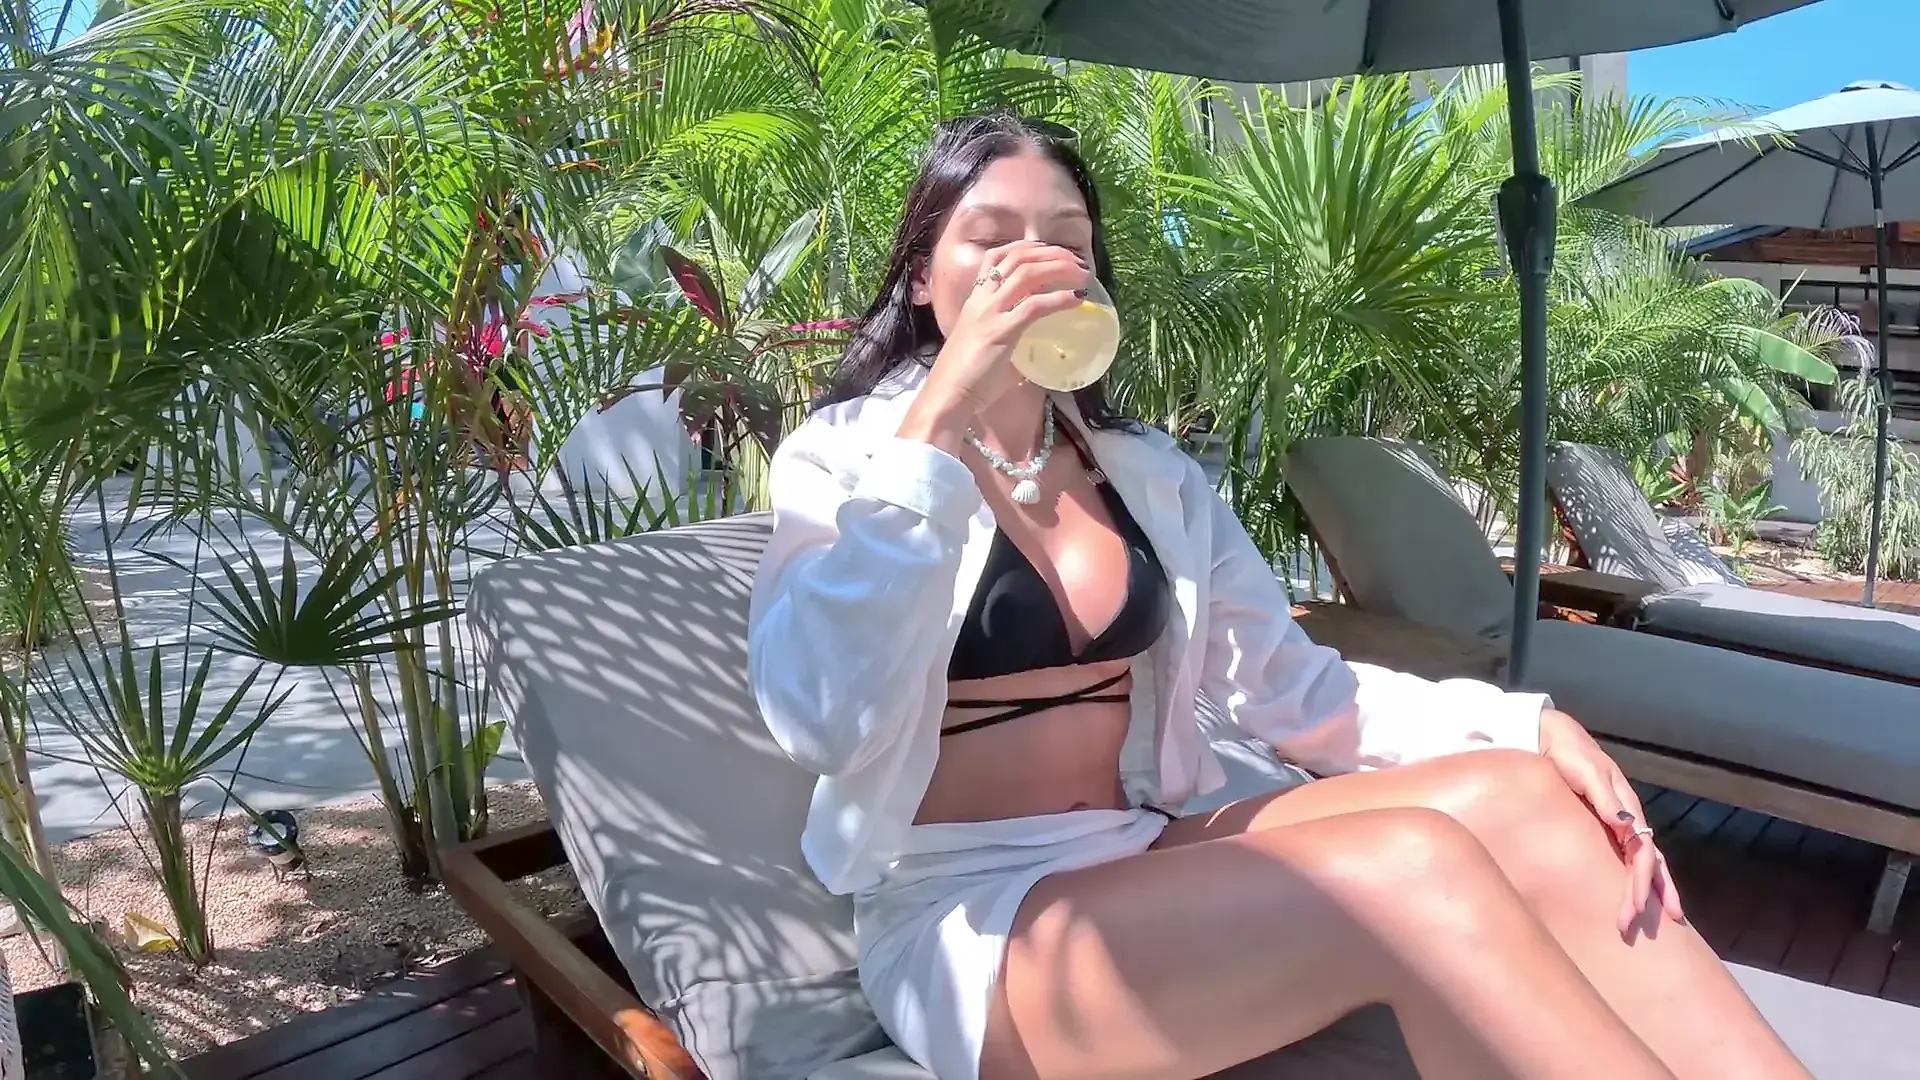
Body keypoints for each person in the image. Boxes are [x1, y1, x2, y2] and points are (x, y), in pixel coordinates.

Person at [746, 112, 1811, 1080]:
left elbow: (1292, 688)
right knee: (1414, 869)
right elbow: (820, 718)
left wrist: (1524, 726)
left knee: (1527, 802)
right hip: (971, 918)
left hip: (1137, 847)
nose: (1033, 264)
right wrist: (935, 426)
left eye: (1066, 238)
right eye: (989, 238)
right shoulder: (849, 463)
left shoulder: (1143, 474)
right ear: (921, 278)